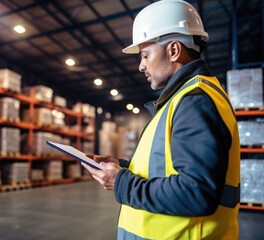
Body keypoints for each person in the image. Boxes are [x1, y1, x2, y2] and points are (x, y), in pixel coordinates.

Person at [81, 0, 241, 239]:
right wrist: (122, 166)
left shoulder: (194, 101)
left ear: (173, 50)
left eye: (145, 55)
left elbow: (195, 192)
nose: (141, 66)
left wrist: (120, 182)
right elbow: (166, 167)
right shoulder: (181, 100)